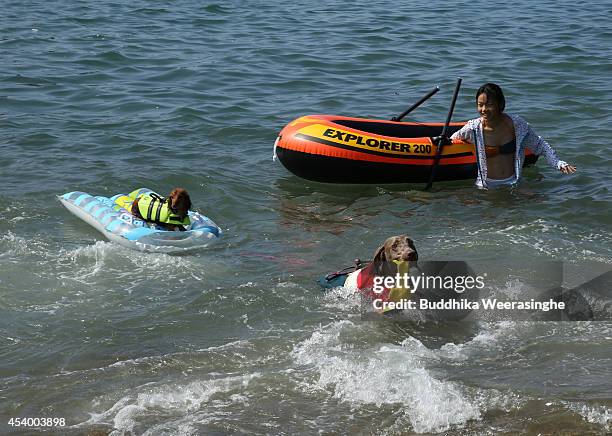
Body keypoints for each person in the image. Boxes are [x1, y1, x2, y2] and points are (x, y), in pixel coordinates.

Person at [446, 83, 576, 188]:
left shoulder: (516, 125)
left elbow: (540, 145)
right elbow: (454, 139)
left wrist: (558, 163)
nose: (484, 109)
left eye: (489, 105)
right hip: (485, 187)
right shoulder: (473, 128)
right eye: (480, 105)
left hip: (512, 183)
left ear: (500, 104)